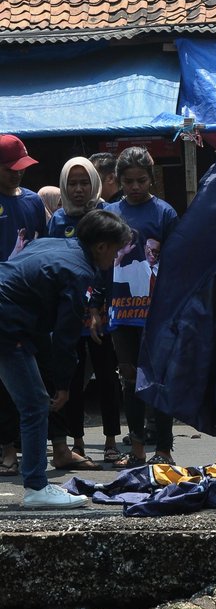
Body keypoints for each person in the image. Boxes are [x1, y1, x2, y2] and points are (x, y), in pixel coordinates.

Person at [0, 209, 131, 508]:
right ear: (101, 247)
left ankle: (36, 485)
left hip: (8, 316)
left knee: (29, 401)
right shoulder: (79, 272)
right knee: (34, 404)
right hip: (6, 322)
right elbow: (64, 336)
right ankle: (35, 487)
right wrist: (62, 384)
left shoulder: (54, 244)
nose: (116, 258)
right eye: (116, 250)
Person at [105, 146, 178, 468]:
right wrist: (94, 305)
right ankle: (136, 449)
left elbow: (177, 263)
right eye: (129, 181)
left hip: (157, 311)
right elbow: (99, 262)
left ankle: (164, 449)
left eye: (142, 180)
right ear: (119, 180)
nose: (135, 187)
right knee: (129, 378)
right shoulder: (108, 213)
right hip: (120, 311)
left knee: (158, 378)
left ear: (152, 179)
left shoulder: (165, 213)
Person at [48, 156, 122, 466]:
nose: (79, 189)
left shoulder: (107, 214)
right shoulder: (58, 221)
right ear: (65, 185)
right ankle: (76, 441)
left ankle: (110, 441)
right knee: (72, 378)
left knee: (108, 376)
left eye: (84, 182)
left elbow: (109, 268)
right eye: (73, 183)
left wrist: (98, 304)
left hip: (103, 310)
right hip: (69, 311)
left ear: (94, 182)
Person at [0, 134, 46, 477]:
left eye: (21, 168)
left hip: (29, 309)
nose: (17, 174)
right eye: (10, 169)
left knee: (31, 390)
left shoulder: (32, 202)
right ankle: (9, 450)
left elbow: (43, 250)